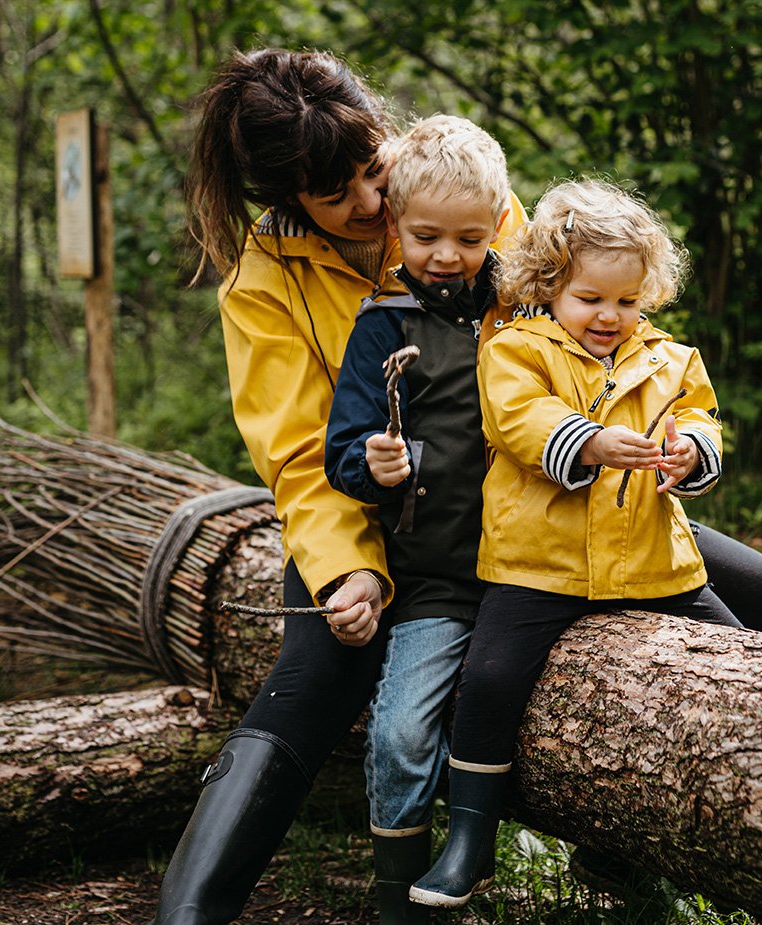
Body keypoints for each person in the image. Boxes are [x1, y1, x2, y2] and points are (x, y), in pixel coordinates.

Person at [157, 44, 762, 925]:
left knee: (757, 586)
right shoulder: (268, 280)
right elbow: (302, 456)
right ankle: (190, 906)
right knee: (315, 675)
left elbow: (566, 326)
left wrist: (632, 442)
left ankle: (622, 843)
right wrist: (350, 570)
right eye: (340, 197)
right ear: (290, 200)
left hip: (528, 501)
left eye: (373, 171)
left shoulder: (453, 182)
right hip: (391, 520)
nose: (374, 204)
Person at [409, 179, 744, 909]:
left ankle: (677, 840)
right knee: (491, 680)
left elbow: (701, 417)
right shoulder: (515, 350)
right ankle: (469, 838)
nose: (610, 317)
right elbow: (519, 421)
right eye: (592, 298)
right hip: (540, 565)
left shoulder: (667, 358)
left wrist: (692, 455)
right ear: (551, 283)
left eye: (627, 302)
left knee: (739, 658)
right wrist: (588, 442)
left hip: (656, 562)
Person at [324, 114, 512, 923]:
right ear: (395, 224)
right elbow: (339, 455)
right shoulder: (381, 327)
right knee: (401, 735)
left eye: (469, 238)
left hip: (537, 570)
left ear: (500, 221)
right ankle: (399, 896)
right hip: (437, 577)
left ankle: (610, 856)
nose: (446, 256)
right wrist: (374, 463)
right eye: (427, 235)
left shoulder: (530, 304)